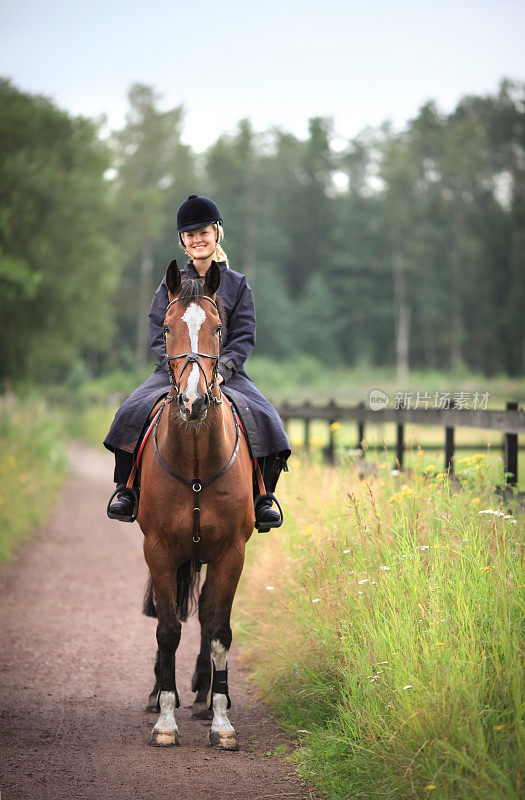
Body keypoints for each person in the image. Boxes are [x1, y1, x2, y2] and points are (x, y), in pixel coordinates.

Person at [104, 194, 290, 530]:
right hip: (173, 372)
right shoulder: (170, 283)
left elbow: (244, 336)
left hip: (227, 375)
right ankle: (127, 489)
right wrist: (177, 368)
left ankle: (263, 497)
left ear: (217, 233)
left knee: (267, 419)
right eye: (190, 235)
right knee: (129, 412)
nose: (197, 240)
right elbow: (156, 329)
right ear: (182, 241)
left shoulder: (236, 284)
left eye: (203, 232)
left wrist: (221, 372)